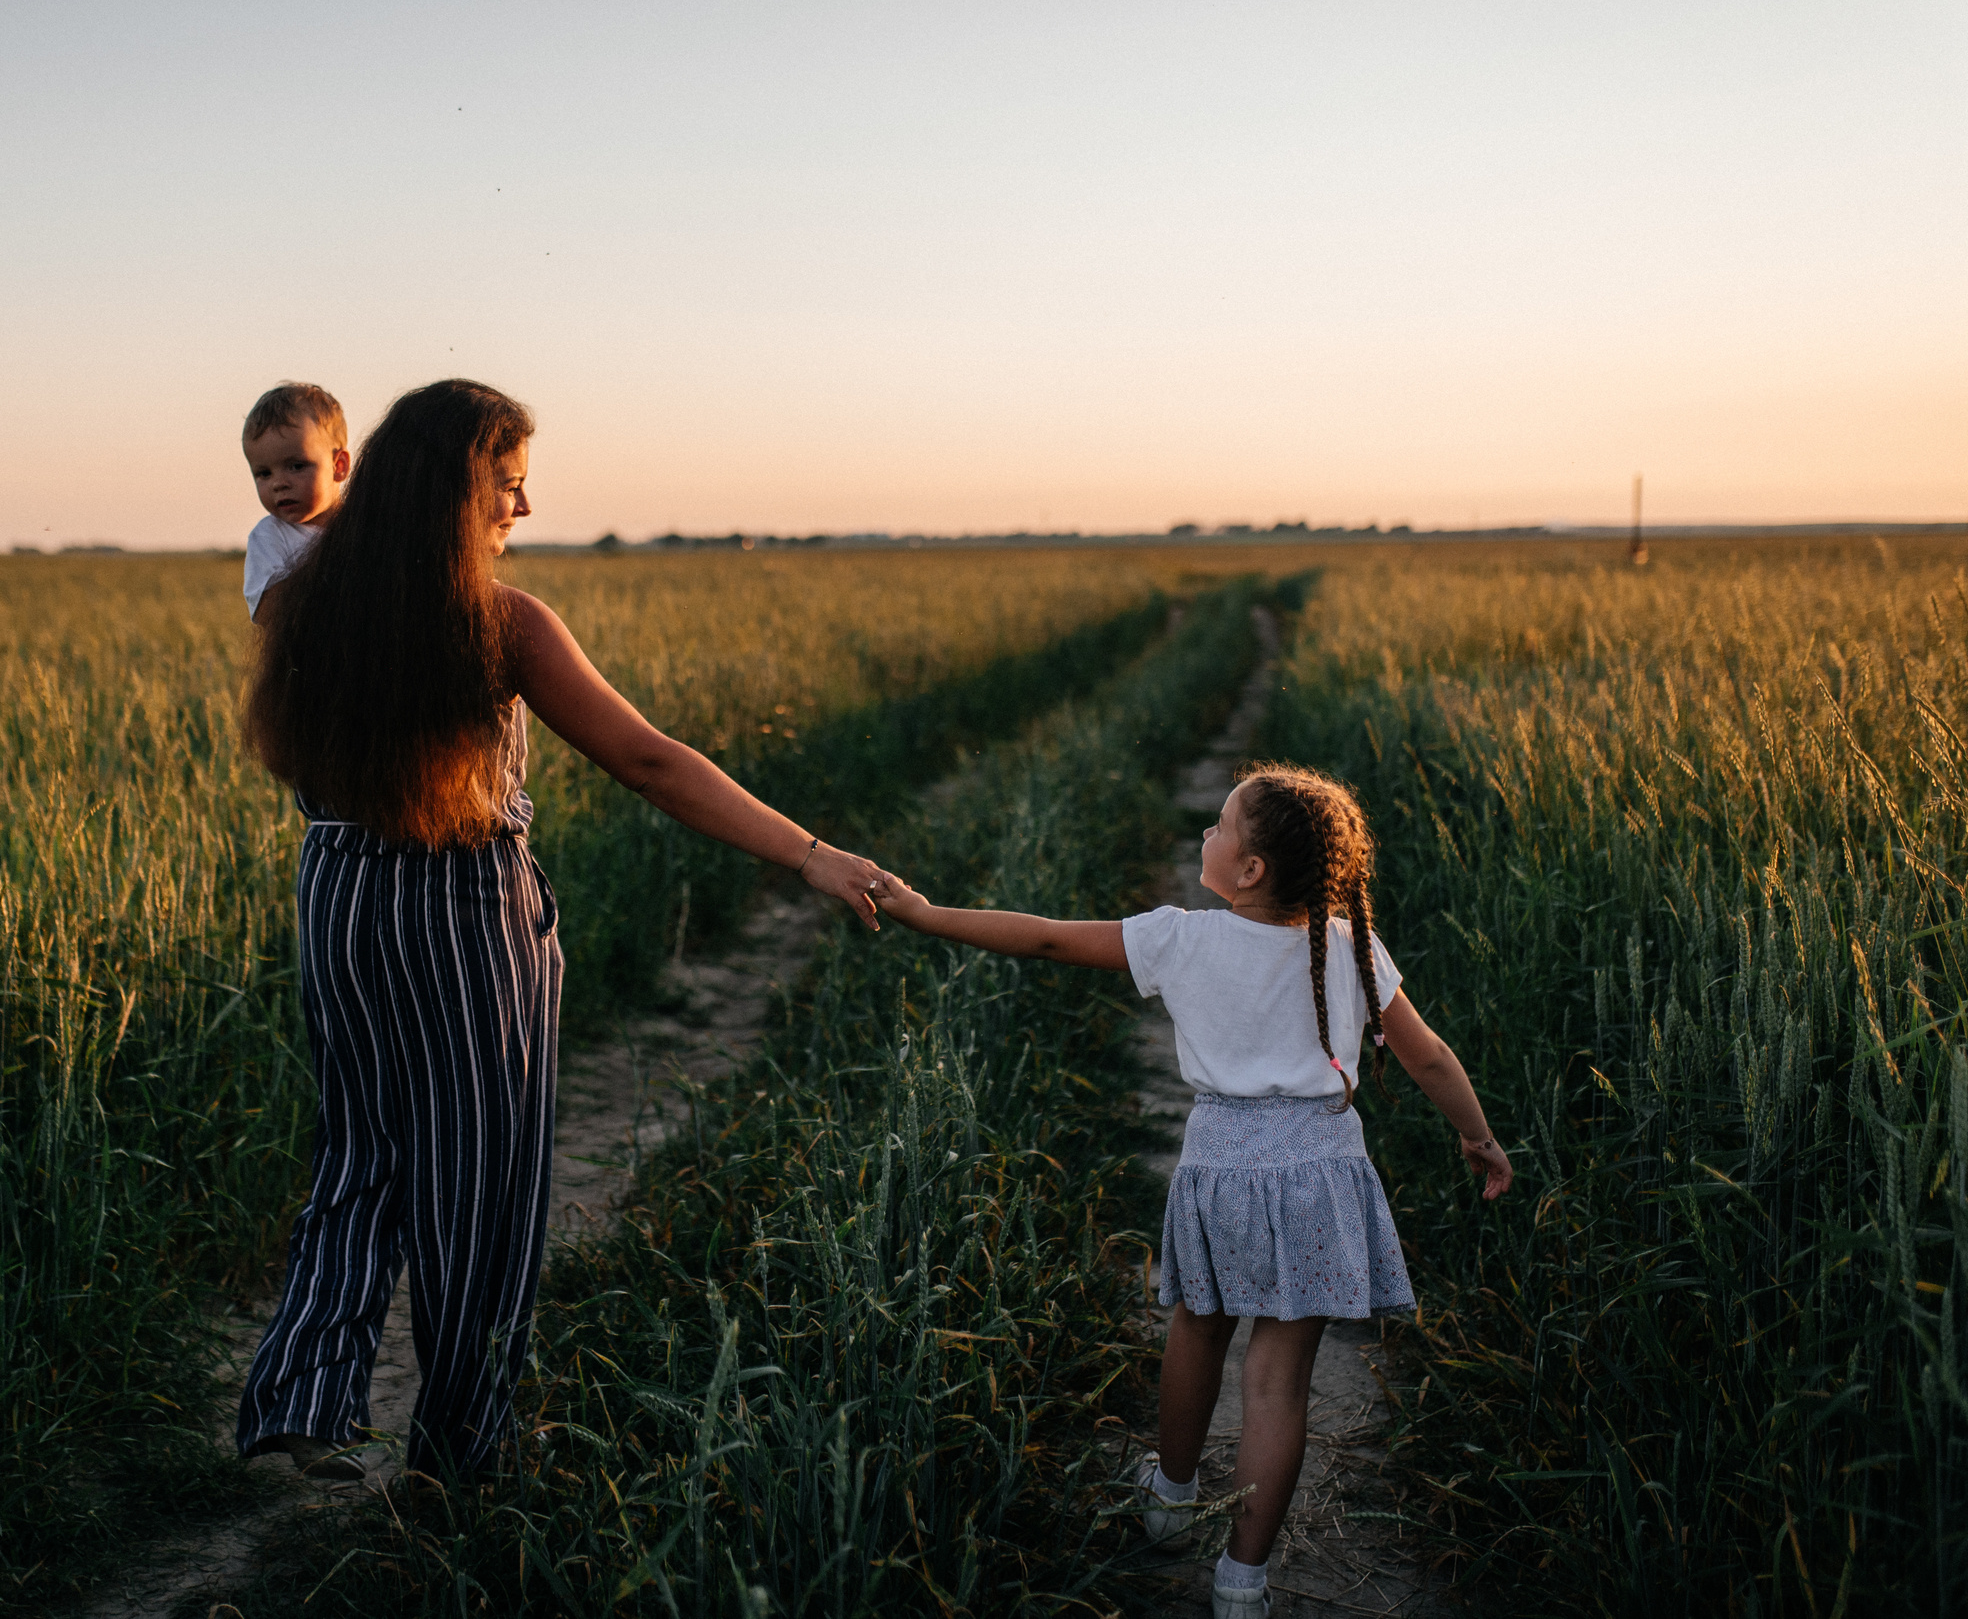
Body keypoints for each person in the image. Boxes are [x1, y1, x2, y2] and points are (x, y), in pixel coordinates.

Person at [233, 378, 888, 1482]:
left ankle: (302, 1390)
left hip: (340, 895)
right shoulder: (500, 623)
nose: (522, 510)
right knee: (476, 1184)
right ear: (457, 492)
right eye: (509, 484)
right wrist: (808, 851)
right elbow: (646, 758)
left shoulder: (302, 601)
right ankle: (462, 1450)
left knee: (359, 1145)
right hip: (462, 909)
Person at [865, 764, 1512, 1618]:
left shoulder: (1182, 938)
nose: (1204, 836)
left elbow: (1048, 937)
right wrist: (1477, 1133)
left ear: (1248, 871)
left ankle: (1170, 1498)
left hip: (1221, 1171)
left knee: (1197, 1331)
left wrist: (922, 911)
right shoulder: (1351, 943)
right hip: (1320, 1172)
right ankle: (1243, 1583)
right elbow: (1426, 1054)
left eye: (1218, 826)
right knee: (1279, 1382)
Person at [241, 381, 349, 617]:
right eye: (264, 473)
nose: (279, 483)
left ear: (338, 466)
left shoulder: (363, 526)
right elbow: (267, 613)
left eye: (297, 466)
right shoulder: (269, 537)